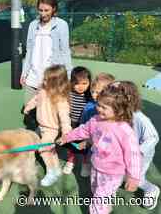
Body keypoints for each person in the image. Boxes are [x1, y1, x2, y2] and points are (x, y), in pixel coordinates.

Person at [58, 84, 141, 214]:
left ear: (118, 110)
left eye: (104, 107)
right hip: (96, 165)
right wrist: (67, 137)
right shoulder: (96, 120)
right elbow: (83, 130)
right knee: (96, 190)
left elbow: (133, 155)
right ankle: (105, 205)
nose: (99, 109)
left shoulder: (124, 130)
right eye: (99, 104)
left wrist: (134, 177)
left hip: (113, 173)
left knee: (98, 201)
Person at [20, 0, 72, 104]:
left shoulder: (62, 25)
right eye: (40, 10)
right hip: (33, 76)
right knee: (28, 108)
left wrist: (68, 75)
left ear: (54, 9)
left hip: (51, 77)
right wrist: (24, 72)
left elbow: (65, 51)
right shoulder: (33, 25)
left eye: (46, 10)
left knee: (49, 115)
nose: (43, 14)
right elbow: (29, 50)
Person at [24, 65, 71, 187]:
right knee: (50, 149)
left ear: (57, 83)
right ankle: (57, 169)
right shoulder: (43, 91)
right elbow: (36, 99)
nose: (43, 81)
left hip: (52, 129)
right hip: (42, 126)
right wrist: (29, 106)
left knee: (43, 149)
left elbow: (65, 118)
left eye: (46, 80)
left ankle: (51, 173)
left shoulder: (60, 99)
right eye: (44, 79)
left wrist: (66, 132)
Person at [116, 81, 160, 210]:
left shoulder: (140, 119)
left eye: (115, 94)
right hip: (123, 152)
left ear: (128, 98)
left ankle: (151, 189)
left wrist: (137, 152)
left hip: (139, 156)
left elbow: (153, 137)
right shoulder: (117, 112)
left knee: (137, 178)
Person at [75, 72, 115, 177]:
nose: (93, 95)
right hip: (90, 136)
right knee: (87, 152)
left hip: (103, 139)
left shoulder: (112, 108)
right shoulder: (89, 106)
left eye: (98, 92)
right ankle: (86, 165)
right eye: (92, 91)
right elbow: (83, 121)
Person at [63, 66, 92, 176]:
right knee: (71, 144)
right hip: (72, 124)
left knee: (85, 146)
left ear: (89, 82)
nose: (81, 87)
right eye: (77, 83)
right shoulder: (69, 94)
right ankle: (71, 161)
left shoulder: (90, 96)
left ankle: (85, 163)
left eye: (84, 83)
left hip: (85, 126)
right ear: (72, 82)